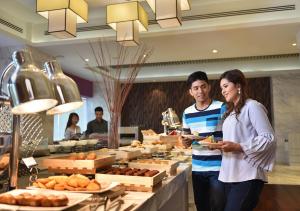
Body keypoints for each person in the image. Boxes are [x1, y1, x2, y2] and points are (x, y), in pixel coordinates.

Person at [218, 69, 276, 211]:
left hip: (248, 175)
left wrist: (238, 146)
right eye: (221, 88)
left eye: (225, 86)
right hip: (229, 174)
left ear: (238, 86)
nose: (223, 91)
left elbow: (269, 138)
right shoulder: (231, 113)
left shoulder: (253, 106)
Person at [182, 71, 226, 211]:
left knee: (218, 206)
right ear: (191, 92)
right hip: (197, 168)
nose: (200, 91)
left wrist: (218, 142)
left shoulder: (221, 107)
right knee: (201, 206)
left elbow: (233, 134)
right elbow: (185, 138)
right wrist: (186, 142)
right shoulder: (187, 112)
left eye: (203, 86)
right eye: (196, 88)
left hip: (218, 167)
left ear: (209, 87)